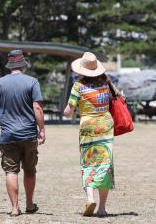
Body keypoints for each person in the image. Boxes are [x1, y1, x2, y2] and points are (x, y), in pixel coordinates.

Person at [0, 50, 45, 217]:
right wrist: (41, 129)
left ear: (10, 66)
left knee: (11, 171)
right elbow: (37, 108)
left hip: (8, 136)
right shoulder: (32, 82)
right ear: (23, 65)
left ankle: (14, 208)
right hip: (28, 134)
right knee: (29, 170)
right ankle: (29, 204)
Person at [63, 52, 121, 217]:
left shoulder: (78, 86)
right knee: (105, 164)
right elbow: (116, 98)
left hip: (88, 128)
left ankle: (90, 198)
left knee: (89, 163)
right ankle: (102, 208)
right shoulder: (105, 82)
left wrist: (68, 110)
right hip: (105, 127)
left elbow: (68, 112)